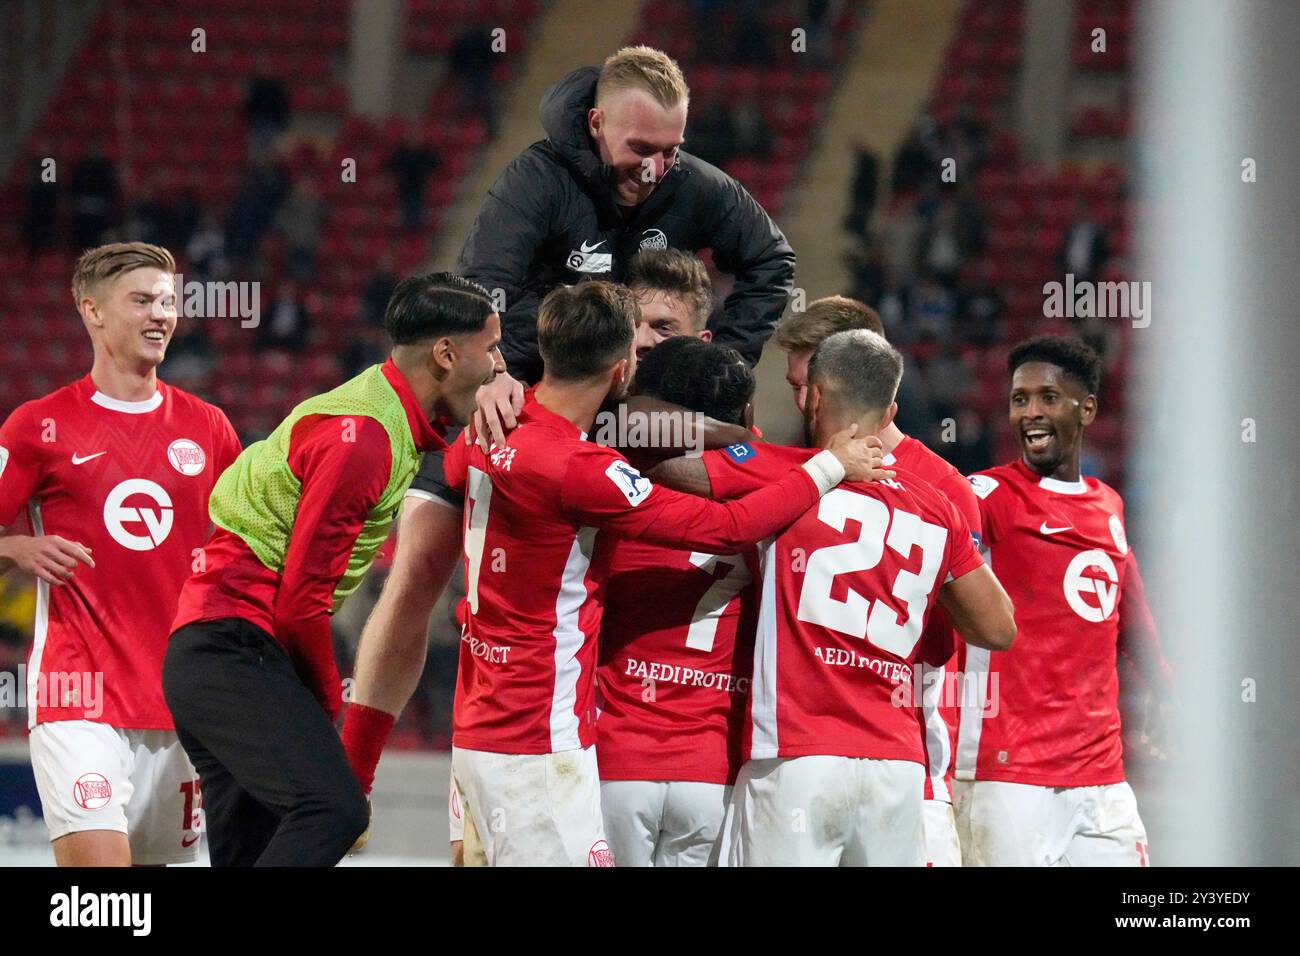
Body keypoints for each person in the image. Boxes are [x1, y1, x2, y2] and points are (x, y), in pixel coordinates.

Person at [442, 281, 890, 866]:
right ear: (622, 364)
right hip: (543, 735)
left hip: (480, 723)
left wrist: (502, 385)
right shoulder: (587, 472)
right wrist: (826, 464)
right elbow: (730, 528)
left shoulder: (485, 432)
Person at [338, 251, 744, 862]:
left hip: (609, 732)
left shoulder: (700, 408)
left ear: (700, 340)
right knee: (414, 580)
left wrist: (735, 443)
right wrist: (498, 379)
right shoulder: (558, 404)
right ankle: (354, 776)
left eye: (664, 328)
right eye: (637, 326)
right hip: (540, 726)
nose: (644, 340)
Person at [162, 273, 504, 867]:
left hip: (217, 651)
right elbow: (300, 601)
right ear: (446, 355)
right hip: (235, 647)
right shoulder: (366, 438)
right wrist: (324, 697)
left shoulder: (377, 412)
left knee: (255, 850)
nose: (499, 367)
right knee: (336, 810)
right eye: (492, 349)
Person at [652, 330, 1015, 865]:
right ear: (889, 408)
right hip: (895, 769)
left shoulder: (780, 468)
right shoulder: (937, 506)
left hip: (796, 757)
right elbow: (998, 628)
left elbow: (664, 469)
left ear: (816, 397)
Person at [0, 242, 242, 866]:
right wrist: (17, 545)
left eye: (168, 301)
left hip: (184, 701)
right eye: (142, 300)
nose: (161, 314)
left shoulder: (209, 428)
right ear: (93, 312)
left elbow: (244, 553)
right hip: (79, 695)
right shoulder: (37, 426)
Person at [458, 44, 795, 435]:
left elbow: (771, 259)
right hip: (525, 394)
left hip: (638, 408)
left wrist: (722, 365)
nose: (654, 170)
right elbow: (481, 280)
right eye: (641, 149)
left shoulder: (696, 187)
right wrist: (492, 372)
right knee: (434, 493)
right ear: (597, 122)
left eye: (670, 151)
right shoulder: (537, 180)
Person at [767, 294, 987, 866]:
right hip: (810, 752)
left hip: (904, 762)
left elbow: (957, 638)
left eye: (808, 384)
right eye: (793, 384)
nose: (802, 402)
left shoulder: (945, 490)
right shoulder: (798, 469)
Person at [954, 335, 1171, 866]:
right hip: (1008, 775)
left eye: (1048, 398)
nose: (1031, 413)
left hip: (1101, 777)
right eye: (1019, 399)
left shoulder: (1109, 505)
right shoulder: (986, 497)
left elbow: (1129, 617)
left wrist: (1167, 692)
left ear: (1087, 408)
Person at [597, 337, 761, 866]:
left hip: (614, 759)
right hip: (712, 771)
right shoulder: (783, 484)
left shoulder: (607, 476)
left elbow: (617, 421)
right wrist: (744, 438)